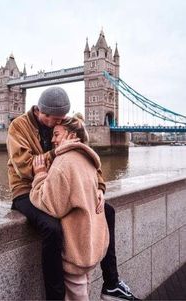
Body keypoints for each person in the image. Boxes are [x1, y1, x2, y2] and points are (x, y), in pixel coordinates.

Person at [7, 86, 139, 300]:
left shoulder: (60, 124)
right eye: (56, 119)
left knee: (108, 211)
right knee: (52, 228)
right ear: (43, 113)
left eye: (63, 118)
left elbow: (85, 159)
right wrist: (59, 151)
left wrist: (99, 187)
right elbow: (24, 165)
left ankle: (112, 283)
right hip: (26, 191)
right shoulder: (18, 127)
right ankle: (56, 296)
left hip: (59, 187)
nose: (58, 125)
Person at [30, 115, 109, 300]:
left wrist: (40, 175)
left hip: (75, 248)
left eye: (56, 134)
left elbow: (49, 204)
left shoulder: (63, 163)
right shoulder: (87, 158)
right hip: (90, 244)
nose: (52, 140)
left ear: (71, 135)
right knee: (85, 288)